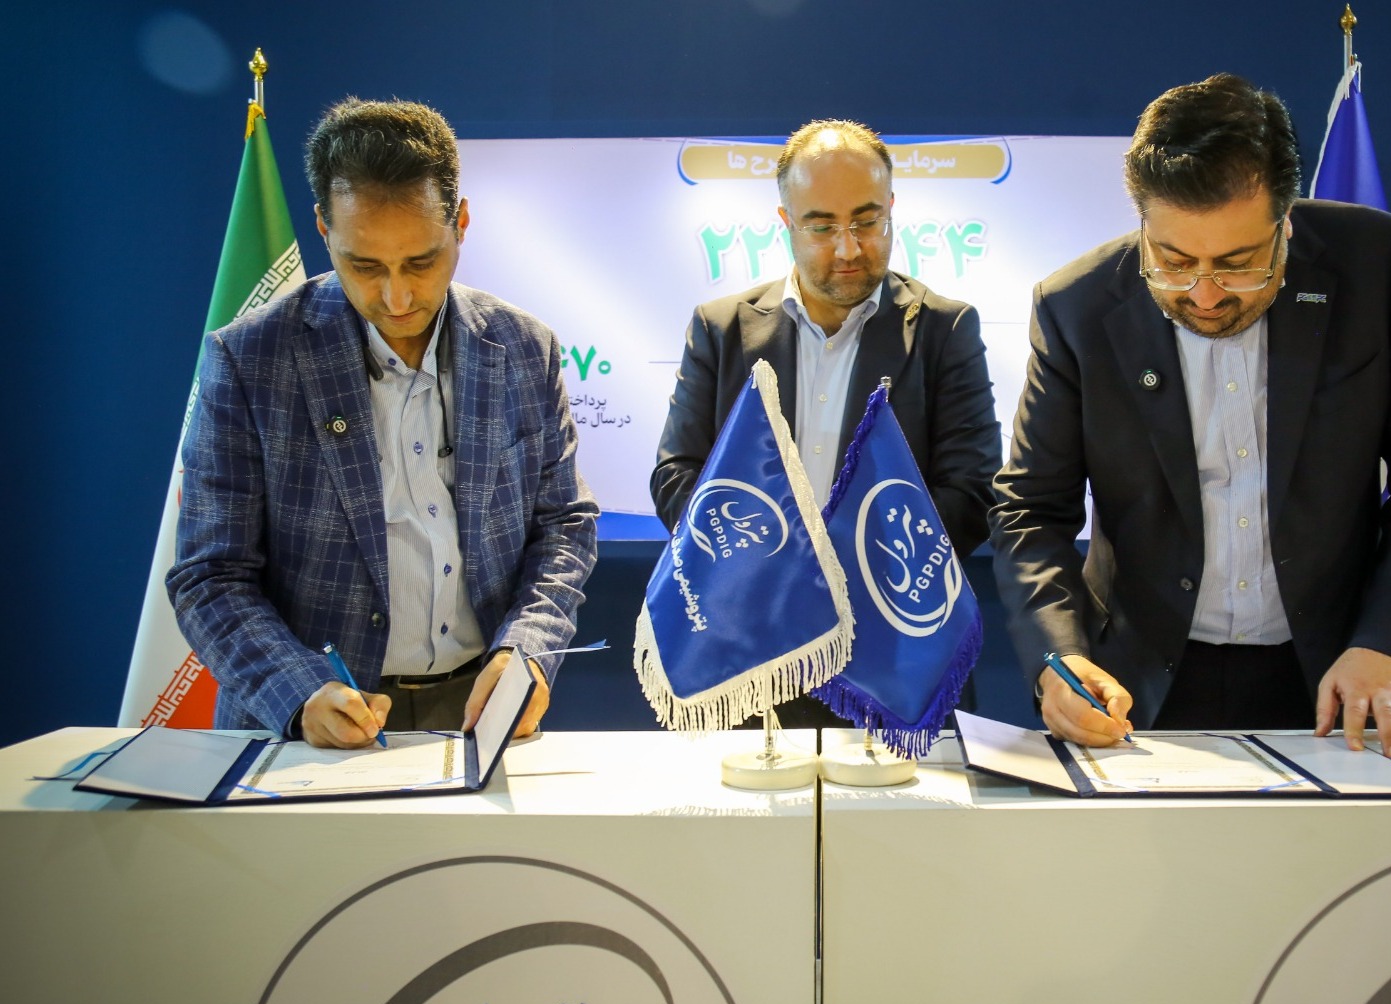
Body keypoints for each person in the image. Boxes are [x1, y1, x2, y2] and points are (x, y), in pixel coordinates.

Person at [990, 74, 1391, 759]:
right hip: (1138, 683)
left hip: (1336, 671)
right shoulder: (1076, 305)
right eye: (1172, 261)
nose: (1204, 294)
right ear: (1143, 223)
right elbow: (1031, 509)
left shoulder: (1376, 263)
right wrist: (1059, 658)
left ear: (1285, 222)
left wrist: (1386, 641)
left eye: (1238, 264)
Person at [168, 98, 598, 748]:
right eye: (364, 266)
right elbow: (210, 574)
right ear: (323, 228)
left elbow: (563, 525)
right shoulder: (249, 359)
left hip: (481, 708)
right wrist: (298, 691)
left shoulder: (522, 348)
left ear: (461, 222)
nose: (396, 298)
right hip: (313, 722)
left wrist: (529, 649)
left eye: (421, 262)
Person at [652, 119, 1001, 727]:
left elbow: (972, 494)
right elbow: (676, 477)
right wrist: (776, 570)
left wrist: (835, 579)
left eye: (867, 221)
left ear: (891, 209)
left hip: (894, 660)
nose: (848, 249)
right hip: (750, 658)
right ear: (786, 222)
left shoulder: (944, 330)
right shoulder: (722, 328)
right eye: (821, 227)